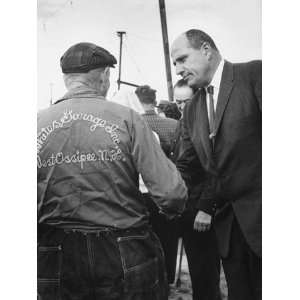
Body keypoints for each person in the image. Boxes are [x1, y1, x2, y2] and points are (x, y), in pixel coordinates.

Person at [37, 42, 188, 300]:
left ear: (66, 79)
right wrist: (170, 212)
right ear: (106, 77)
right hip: (124, 248)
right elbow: (171, 193)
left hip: (55, 251)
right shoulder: (128, 118)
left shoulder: (36, 123)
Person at [171, 29, 262, 300]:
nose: (178, 69)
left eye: (183, 58)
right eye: (175, 63)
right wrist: (157, 187)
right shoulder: (192, 108)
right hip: (228, 230)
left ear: (207, 50)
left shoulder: (254, 74)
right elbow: (188, 165)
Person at [171, 79, 221, 300]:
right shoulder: (182, 124)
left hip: (202, 211)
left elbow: (215, 168)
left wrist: (206, 207)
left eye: (186, 101)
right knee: (197, 272)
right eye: (178, 102)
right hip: (188, 208)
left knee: (205, 273)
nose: (182, 106)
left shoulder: (208, 124)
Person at [135, 85, 179, 285]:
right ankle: (168, 277)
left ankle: (146, 281)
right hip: (165, 190)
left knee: (141, 243)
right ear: (154, 101)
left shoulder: (132, 124)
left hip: (138, 193)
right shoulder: (172, 125)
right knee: (167, 239)